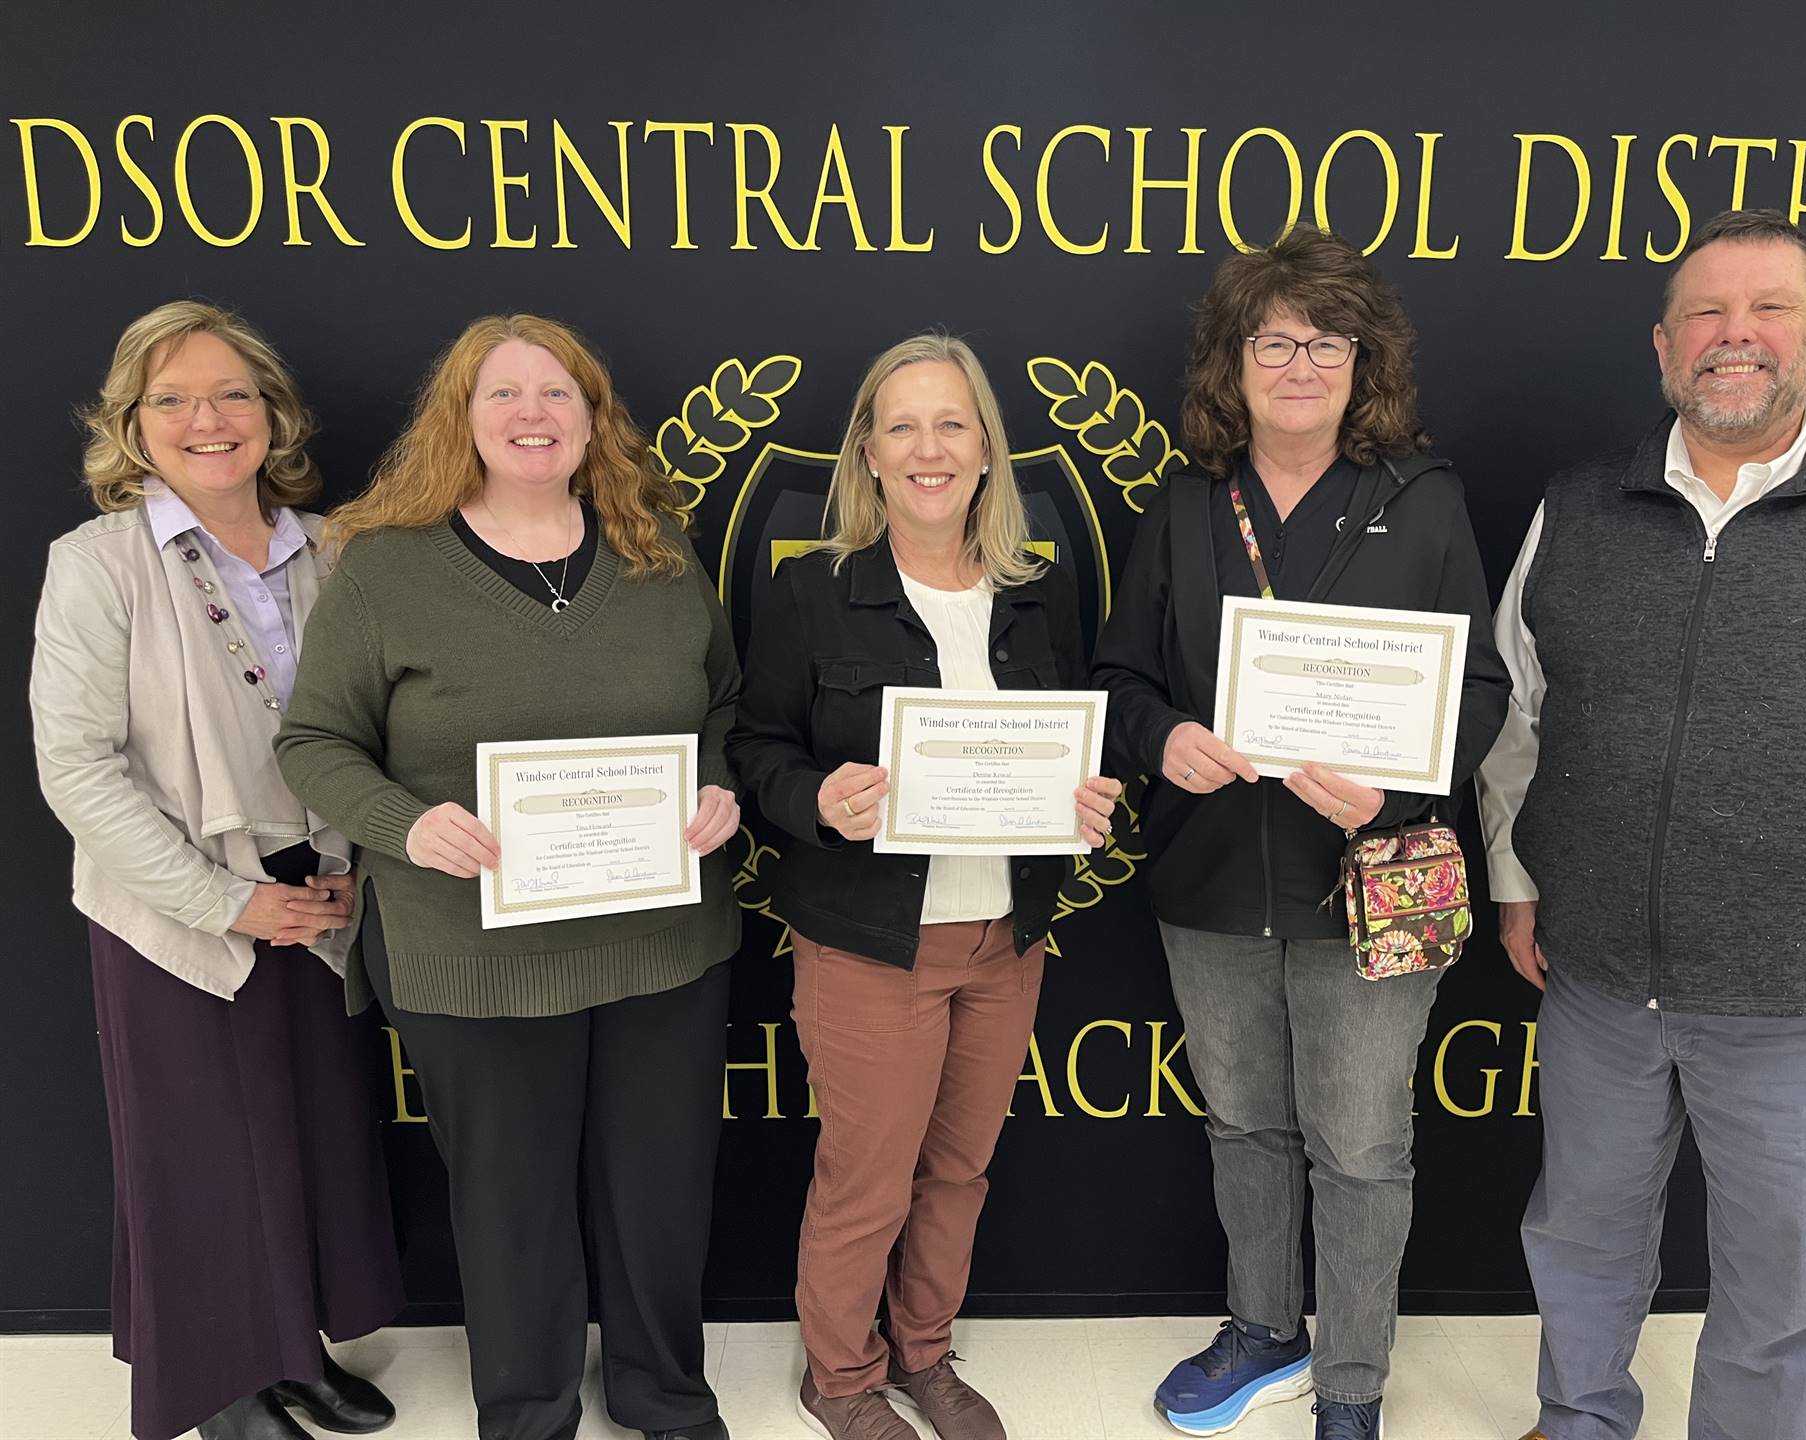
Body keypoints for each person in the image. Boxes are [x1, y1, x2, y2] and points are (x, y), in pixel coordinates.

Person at [1476, 207, 1806, 1440]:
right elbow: (1521, 712)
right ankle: (1580, 1422)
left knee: (1786, 1287)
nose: (1736, 337)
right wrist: (1516, 880)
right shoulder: (1578, 506)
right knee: (1581, 1238)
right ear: (1662, 346)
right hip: (1602, 978)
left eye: (1767, 309)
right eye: (1706, 316)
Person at [273, 314, 741, 1440]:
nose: (533, 414)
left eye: (558, 394)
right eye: (504, 395)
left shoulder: (659, 554)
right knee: (509, 1200)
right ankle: (527, 1411)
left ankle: (663, 1395)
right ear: (464, 420)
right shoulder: (388, 567)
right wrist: (405, 822)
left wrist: (716, 790)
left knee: (658, 1189)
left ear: (593, 421)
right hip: (469, 949)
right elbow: (312, 743)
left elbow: (721, 704)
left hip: (659, 941)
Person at [1090, 228, 1510, 1440]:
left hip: (1369, 876)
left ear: (1365, 361)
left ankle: (1354, 1387)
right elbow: (1119, 674)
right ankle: (1265, 1331)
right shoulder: (1183, 501)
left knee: (1365, 1149)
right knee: (1246, 1126)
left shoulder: (1423, 500)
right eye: (1275, 339)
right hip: (1212, 875)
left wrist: (1395, 791)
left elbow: (1481, 694)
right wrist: (1159, 736)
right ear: (1234, 360)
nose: (1301, 363)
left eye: (1329, 341)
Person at [728, 333, 1122, 1440]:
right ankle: (842, 1379)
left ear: (989, 449)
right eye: (902, 425)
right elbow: (755, 749)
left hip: (1005, 937)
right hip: (867, 941)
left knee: (958, 1171)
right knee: (868, 1179)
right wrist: (817, 799)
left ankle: (926, 1354)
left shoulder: (1036, 597)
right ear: (867, 451)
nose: (929, 447)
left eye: (952, 423)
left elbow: (1062, 749)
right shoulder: (810, 591)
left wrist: (1081, 804)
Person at [29, 301, 403, 1440]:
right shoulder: (97, 564)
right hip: (179, 908)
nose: (208, 419)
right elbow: (76, 771)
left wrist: (349, 875)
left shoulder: (332, 550)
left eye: (232, 393)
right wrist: (228, 901)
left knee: (307, 1134)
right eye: (173, 399)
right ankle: (221, 1384)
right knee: (197, 1145)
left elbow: (373, 727)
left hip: (318, 892)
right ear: (132, 426)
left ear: (272, 413)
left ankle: (292, 1351)